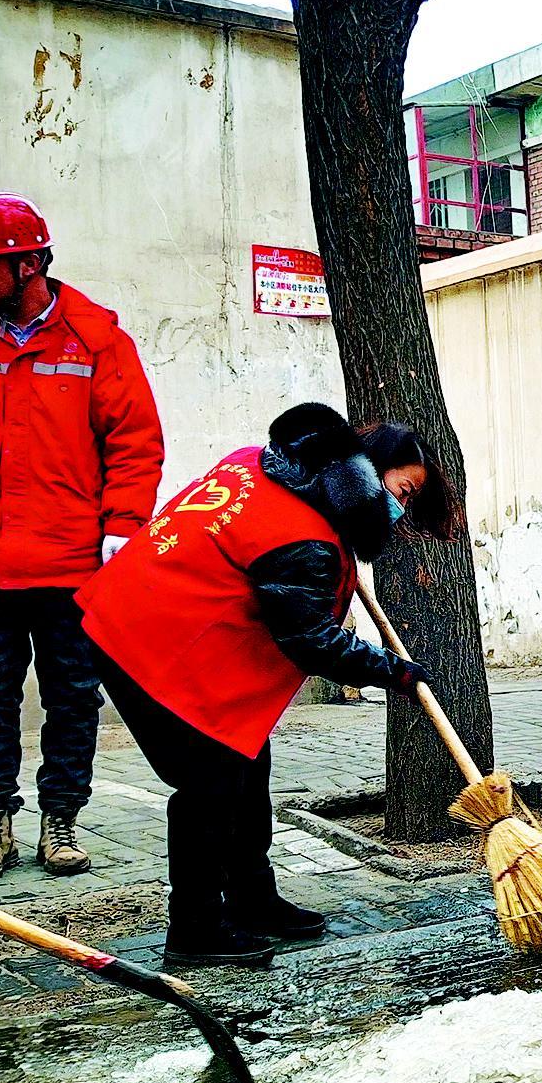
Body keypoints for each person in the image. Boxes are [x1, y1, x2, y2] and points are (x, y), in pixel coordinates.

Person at [78, 406, 449, 965]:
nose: (400, 509)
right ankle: (196, 932)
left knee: (247, 766)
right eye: (402, 490)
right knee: (209, 787)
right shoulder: (304, 537)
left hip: (160, 624)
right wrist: (392, 669)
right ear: (363, 475)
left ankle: (253, 900)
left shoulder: (261, 467)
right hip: (145, 642)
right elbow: (311, 640)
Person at [0, 196, 164, 888]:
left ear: (29, 261)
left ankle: (61, 821)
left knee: (73, 698)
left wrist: (122, 527)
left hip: (72, 565)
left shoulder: (98, 341)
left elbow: (135, 444)